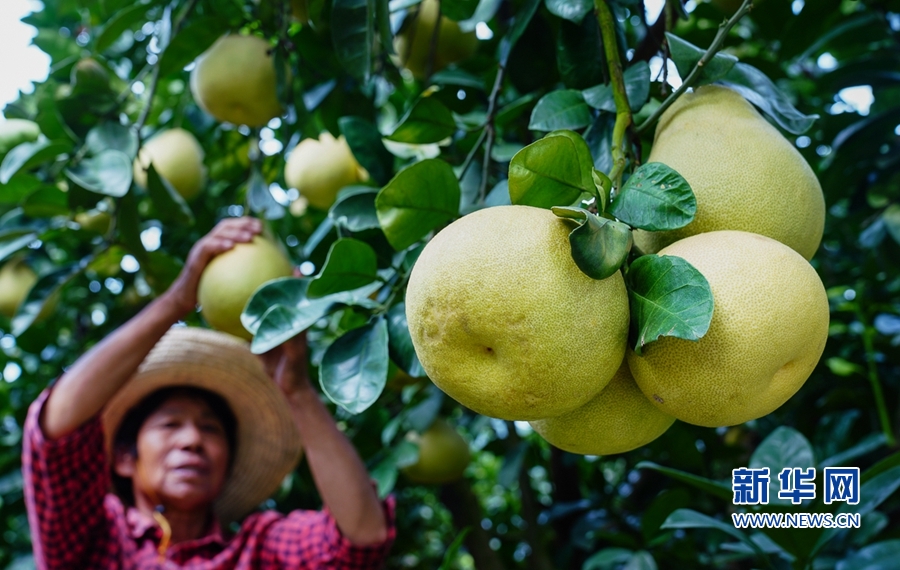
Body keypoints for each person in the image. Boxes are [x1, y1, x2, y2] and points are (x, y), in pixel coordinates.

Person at [22, 217, 395, 569]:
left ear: (228, 460)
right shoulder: (96, 542)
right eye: (170, 425)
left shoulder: (258, 552)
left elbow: (363, 536)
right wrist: (177, 301)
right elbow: (56, 432)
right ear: (123, 458)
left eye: (211, 429)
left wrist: (296, 390)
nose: (193, 441)